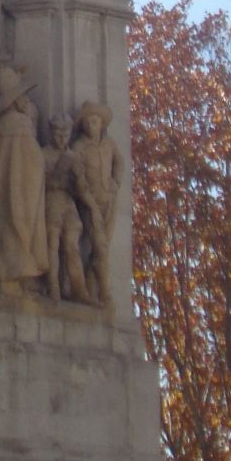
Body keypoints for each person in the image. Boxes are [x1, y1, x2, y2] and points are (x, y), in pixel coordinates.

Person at [0, 60, 49, 295]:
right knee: (19, 223)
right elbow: (33, 161)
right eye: (22, 96)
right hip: (20, 190)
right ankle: (14, 274)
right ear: (15, 99)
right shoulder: (19, 124)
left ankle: (3, 273)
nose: (26, 101)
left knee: (4, 222)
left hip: (1, 189)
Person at [71, 101, 124, 308]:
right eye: (89, 122)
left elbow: (119, 162)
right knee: (101, 247)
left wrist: (116, 182)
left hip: (109, 202)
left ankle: (91, 290)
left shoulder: (109, 144)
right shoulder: (79, 147)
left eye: (96, 122)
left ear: (102, 124)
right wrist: (89, 202)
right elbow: (77, 177)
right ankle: (105, 294)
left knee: (101, 249)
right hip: (90, 204)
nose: (93, 126)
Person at [42, 113, 90, 304]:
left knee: (72, 246)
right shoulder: (43, 154)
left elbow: (81, 189)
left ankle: (79, 289)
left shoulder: (73, 156)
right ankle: (53, 286)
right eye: (58, 134)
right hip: (51, 202)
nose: (62, 138)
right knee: (52, 245)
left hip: (68, 204)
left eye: (66, 134)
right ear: (51, 133)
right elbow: (39, 183)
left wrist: (78, 179)